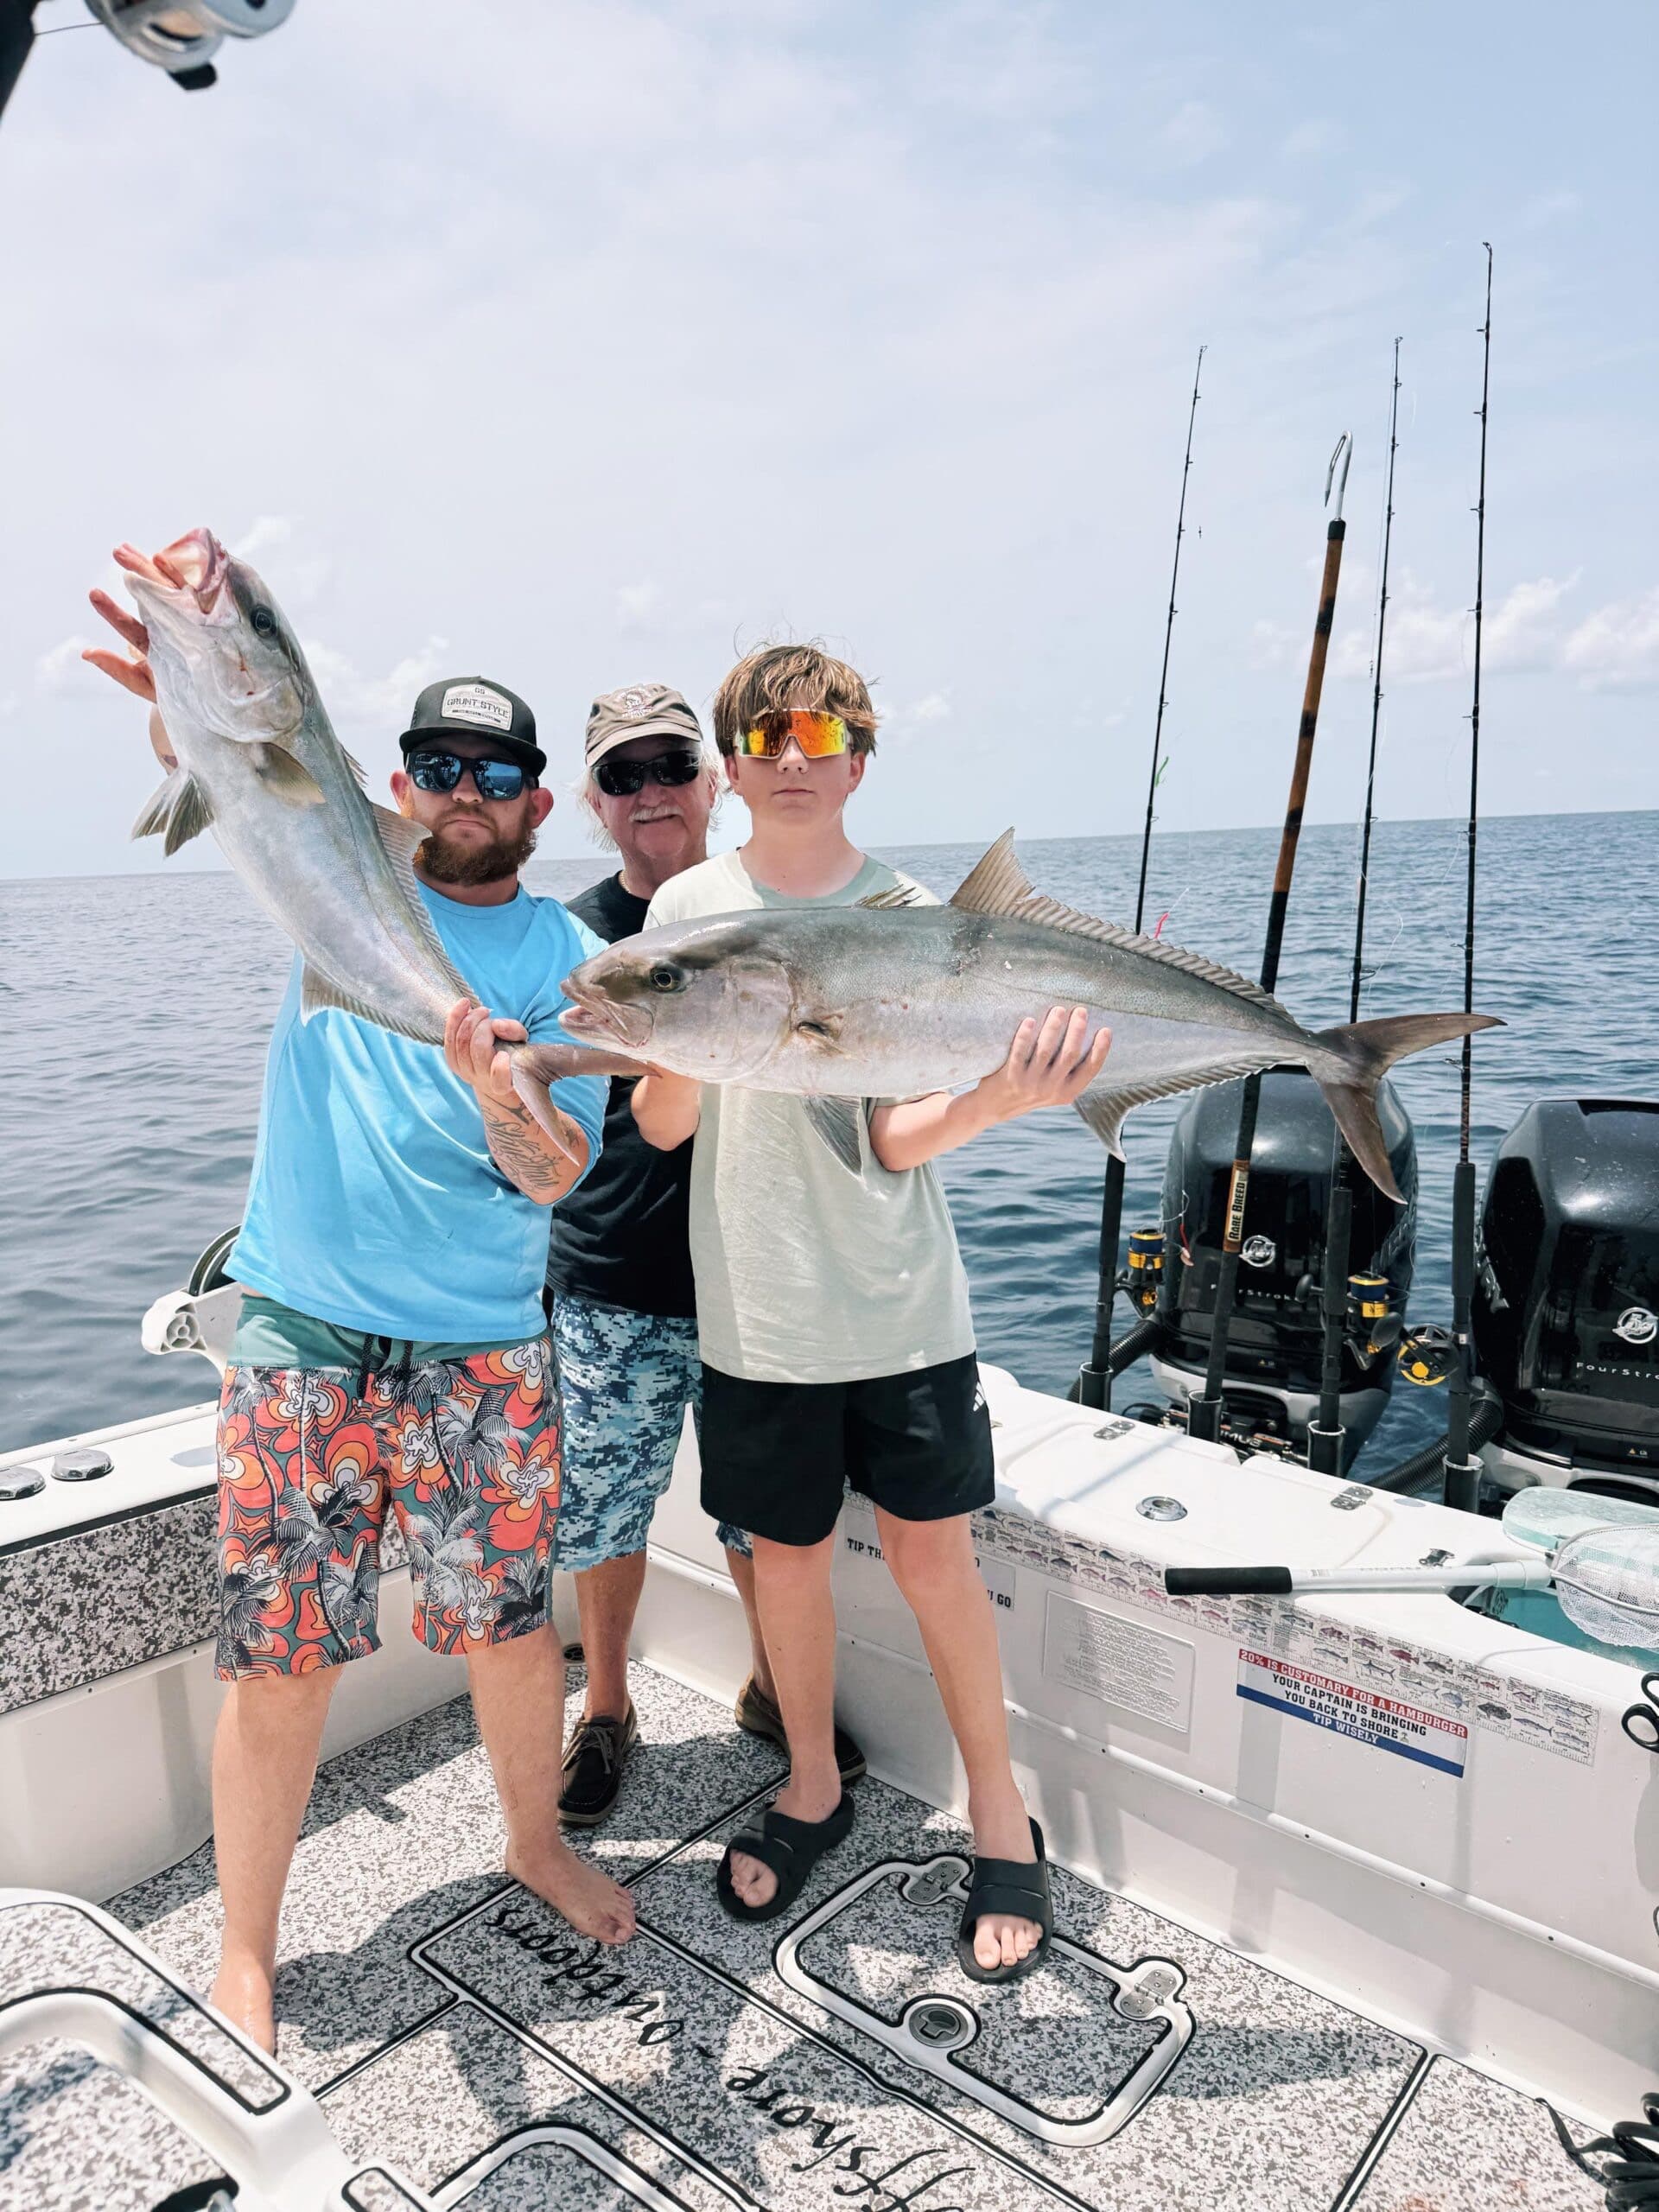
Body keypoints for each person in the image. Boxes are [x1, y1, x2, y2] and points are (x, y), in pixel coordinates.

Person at [86, 584, 637, 2053]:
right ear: (396, 785)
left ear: (534, 810)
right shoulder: (333, 864)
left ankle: (532, 1841)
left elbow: (566, 1166)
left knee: (510, 1636)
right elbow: (264, 790)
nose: (467, 793)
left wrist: (490, 1089)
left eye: (499, 776)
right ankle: (247, 1954)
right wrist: (187, 722)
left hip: (480, 1342)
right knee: (283, 1654)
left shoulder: (564, 969)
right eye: (440, 768)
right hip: (304, 1331)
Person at [632, 643, 1109, 1980]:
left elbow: (895, 1139)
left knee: (932, 1559)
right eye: (764, 734)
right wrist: (667, 1038)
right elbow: (663, 1124)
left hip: (903, 1313)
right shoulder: (691, 908)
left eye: (821, 729)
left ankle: (1001, 1814)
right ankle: (809, 1786)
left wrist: (1003, 1100)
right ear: (729, 766)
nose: (793, 753)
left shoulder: (909, 909)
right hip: (757, 1314)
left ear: (859, 754)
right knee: (780, 1561)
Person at [545, 683, 864, 1823]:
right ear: (593, 801)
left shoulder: (762, 918)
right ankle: (609, 1708)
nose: (649, 794)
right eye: (621, 776)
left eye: (669, 765)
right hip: (610, 1275)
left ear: (713, 778)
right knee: (603, 1511)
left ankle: (777, 1690)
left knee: (756, 1518)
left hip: (749, 1267)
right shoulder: (567, 940)